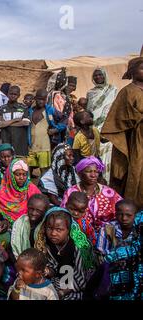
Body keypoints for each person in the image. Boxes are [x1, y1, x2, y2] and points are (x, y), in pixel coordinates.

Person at [101, 57, 143, 208]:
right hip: (135, 141)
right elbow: (117, 118)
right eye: (141, 68)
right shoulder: (127, 92)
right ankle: (133, 208)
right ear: (132, 71)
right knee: (136, 172)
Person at [34, 207, 96, 300]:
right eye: (49, 228)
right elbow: (52, 268)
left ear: (68, 230)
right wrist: (48, 271)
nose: (53, 233)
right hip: (54, 283)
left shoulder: (80, 248)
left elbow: (82, 280)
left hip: (73, 289)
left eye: (59, 229)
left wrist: (61, 292)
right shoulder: (44, 243)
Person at [61, 156, 122, 232]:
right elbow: (63, 214)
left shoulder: (109, 193)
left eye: (96, 171)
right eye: (89, 172)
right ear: (80, 173)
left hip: (105, 235)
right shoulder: (71, 192)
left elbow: (123, 209)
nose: (93, 175)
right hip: (78, 233)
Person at [99, 200, 142, 300]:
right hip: (110, 271)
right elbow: (101, 254)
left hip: (133, 272)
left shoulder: (139, 231)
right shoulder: (107, 229)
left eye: (129, 215)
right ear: (115, 213)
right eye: (120, 214)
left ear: (136, 215)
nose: (124, 218)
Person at [28, 89, 66, 176]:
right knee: (29, 169)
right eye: (39, 99)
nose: (41, 101)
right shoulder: (30, 111)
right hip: (31, 146)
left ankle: (43, 188)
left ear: (46, 100)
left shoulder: (50, 110)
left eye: (43, 99)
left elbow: (64, 119)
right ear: (35, 98)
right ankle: (29, 188)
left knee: (44, 170)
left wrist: (56, 129)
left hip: (45, 146)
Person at [0, 159, 41, 224]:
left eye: (24, 175)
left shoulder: (32, 188)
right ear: (11, 175)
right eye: (18, 174)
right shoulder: (1, 192)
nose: (21, 178)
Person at [11, 194, 50, 259]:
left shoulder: (45, 226)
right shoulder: (20, 222)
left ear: (45, 211)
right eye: (31, 209)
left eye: (38, 211)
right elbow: (15, 243)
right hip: (21, 257)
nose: (33, 213)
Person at [0, 85, 31, 158]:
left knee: (20, 166)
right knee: (7, 166)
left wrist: (6, 123)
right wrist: (15, 120)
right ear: (8, 94)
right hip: (6, 144)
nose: (13, 96)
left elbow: (25, 123)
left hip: (20, 146)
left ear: (19, 95)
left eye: (15, 94)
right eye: (11, 94)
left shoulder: (23, 108)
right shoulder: (2, 108)